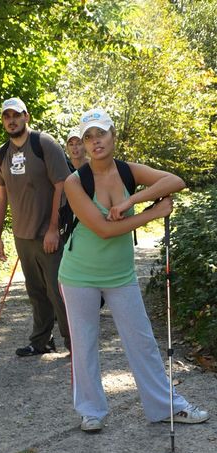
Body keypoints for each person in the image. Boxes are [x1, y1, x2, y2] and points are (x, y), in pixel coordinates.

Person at [58, 107, 209, 432]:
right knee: (83, 345)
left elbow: (175, 181)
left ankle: (166, 407)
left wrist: (129, 202)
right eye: (88, 137)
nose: (96, 141)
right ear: (82, 144)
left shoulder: (127, 171)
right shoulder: (75, 181)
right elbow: (103, 229)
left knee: (142, 343)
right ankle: (91, 411)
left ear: (113, 136)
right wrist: (150, 215)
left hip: (120, 274)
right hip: (78, 275)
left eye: (101, 134)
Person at [0, 97, 71, 356]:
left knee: (59, 293)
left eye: (16, 114)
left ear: (27, 116)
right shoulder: (2, 153)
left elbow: (63, 186)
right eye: (7, 116)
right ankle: (41, 341)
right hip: (22, 236)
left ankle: (75, 344)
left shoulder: (43, 144)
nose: (11, 120)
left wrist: (53, 228)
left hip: (49, 234)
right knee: (36, 292)